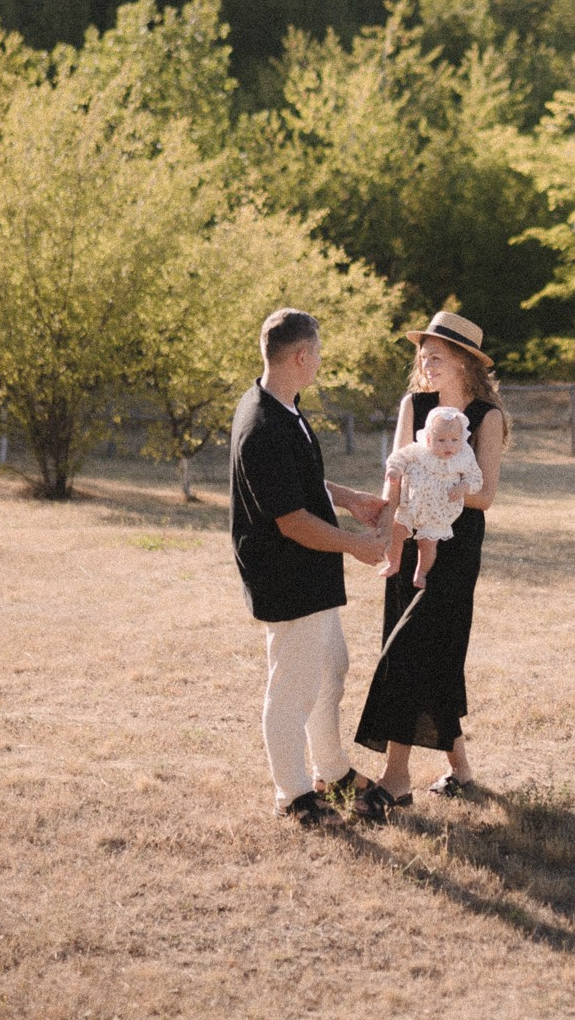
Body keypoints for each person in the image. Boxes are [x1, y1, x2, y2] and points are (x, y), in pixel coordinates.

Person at [228, 307, 390, 825]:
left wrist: (349, 499)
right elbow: (291, 519)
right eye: (317, 353)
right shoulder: (263, 424)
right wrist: (354, 544)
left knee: (330, 669)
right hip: (286, 575)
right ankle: (294, 795)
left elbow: (301, 484)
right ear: (302, 356)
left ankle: (333, 770)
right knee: (292, 687)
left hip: (310, 573)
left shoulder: (283, 407)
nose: (319, 362)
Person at [353, 309, 507, 818]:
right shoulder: (413, 405)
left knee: (416, 648)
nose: (426, 361)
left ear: (464, 361)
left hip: (457, 547)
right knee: (424, 651)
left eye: (436, 355)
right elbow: (394, 473)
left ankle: (395, 780)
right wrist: (385, 524)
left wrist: (443, 488)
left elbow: (484, 496)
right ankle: (460, 772)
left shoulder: (488, 417)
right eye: (423, 354)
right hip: (408, 538)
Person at [379, 405, 481, 589]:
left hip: (438, 511)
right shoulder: (418, 450)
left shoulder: (464, 457)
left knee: (428, 545)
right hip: (410, 505)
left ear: (462, 439)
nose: (448, 445)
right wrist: (394, 469)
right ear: (428, 438)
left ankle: (422, 572)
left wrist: (463, 486)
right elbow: (398, 456)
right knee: (397, 532)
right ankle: (393, 562)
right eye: (441, 440)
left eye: (454, 440)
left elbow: (476, 478)